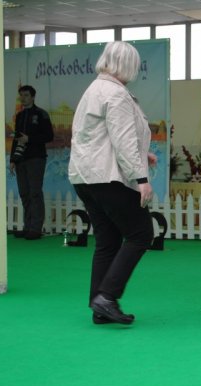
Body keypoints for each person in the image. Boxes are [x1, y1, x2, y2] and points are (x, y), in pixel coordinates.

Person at [69, 41, 155, 325]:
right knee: (141, 234)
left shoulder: (93, 89)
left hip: (85, 177)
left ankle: (99, 305)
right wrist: (140, 178)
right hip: (109, 177)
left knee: (107, 240)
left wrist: (144, 154)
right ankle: (107, 296)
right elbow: (122, 139)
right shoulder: (117, 94)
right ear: (128, 65)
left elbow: (95, 136)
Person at [9, 85, 54, 240]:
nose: (23, 98)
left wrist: (30, 139)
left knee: (35, 193)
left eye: (26, 95)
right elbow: (16, 139)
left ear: (33, 97)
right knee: (24, 194)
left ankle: (36, 228)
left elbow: (49, 136)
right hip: (21, 159)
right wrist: (13, 160)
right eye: (21, 95)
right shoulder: (19, 116)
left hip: (36, 158)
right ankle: (27, 227)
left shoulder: (41, 114)